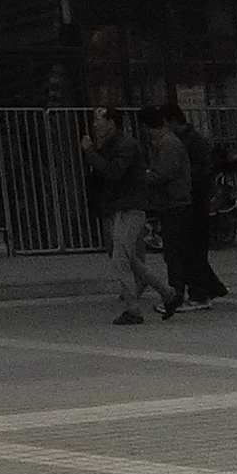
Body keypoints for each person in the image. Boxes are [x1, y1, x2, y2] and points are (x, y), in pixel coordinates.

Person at [84, 105, 183, 326]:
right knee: (129, 258)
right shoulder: (109, 145)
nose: (95, 125)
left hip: (130, 207)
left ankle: (133, 308)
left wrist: (91, 153)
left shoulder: (127, 145)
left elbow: (113, 172)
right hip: (117, 208)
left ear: (112, 123)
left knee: (120, 259)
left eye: (99, 120)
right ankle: (168, 293)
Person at [163, 101, 228, 304]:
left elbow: (203, 171)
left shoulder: (194, 142)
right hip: (189, 198)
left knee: (194, 248)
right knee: (189, 248)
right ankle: (210, 286)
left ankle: (200, 291)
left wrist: (184, 181)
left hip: (196, 199)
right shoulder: (184, 140)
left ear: (172, 121)